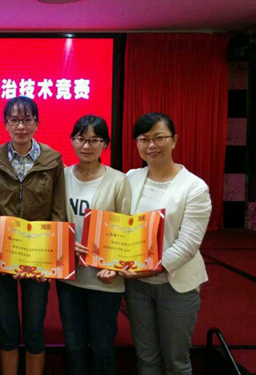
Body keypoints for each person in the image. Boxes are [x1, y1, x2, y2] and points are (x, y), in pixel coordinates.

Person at [0, 96, 67, 375]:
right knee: (7, 327)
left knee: (34, 327)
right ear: (5, 124)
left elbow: (57, 211)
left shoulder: (52, 159)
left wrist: (48, 261)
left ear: (36, 123)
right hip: (3, 257)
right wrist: (3, 257)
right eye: (14, 120)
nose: (21, 126)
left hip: (39, 258)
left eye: (27, 119)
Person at [123, 112, 211, 375]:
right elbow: (120, 228)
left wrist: (151, 268)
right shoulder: (130, 178)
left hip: (177, 286)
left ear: (174, 140)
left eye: (159, 138)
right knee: (146, 358)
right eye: (144, 139)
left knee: (176, 362)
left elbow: (188, 244)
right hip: (137, 287)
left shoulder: (194, 187)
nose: (151, 145)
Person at [56, 115, 131, 375]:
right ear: (72, 141)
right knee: (74, 346)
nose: (86, 146)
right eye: (81, 138)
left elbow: (126, 229)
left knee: (102, 347)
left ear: (105, 144)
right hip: (69, 279)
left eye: (95, 140)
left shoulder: (119, 180)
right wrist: (63, 242)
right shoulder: (61, 176)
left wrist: (115, 267)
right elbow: (52, 220)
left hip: (104, 280)